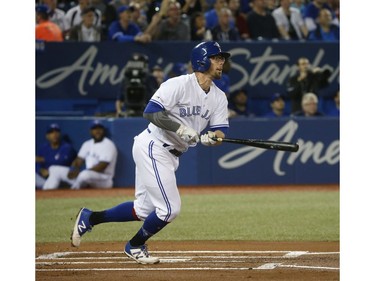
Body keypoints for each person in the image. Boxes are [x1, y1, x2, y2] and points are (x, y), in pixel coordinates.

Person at [70, 41, 231, 264]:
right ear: (202, 60)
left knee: (144, 210)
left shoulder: (219, 97)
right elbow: (151, 112)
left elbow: (220, 131)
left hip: (172, 154)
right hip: (154, 146)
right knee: (169, 209)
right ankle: (134, 246)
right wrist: (181, 129)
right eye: (216, 58)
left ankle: (91, 217)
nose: (221, 62)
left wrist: (212, 139)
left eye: (222, 59)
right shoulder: (178, 85)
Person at [43, 120, 118, 190]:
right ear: (90, 131)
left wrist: (80, 172)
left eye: (99, 128)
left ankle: (72, 192)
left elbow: (102, 166)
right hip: (85, 176)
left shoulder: (108, 144)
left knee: (84, 175)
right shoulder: (87, 144)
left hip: (104, 179)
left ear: (103, 130)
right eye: (95, 128)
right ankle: (47, 191)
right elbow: (78, 160)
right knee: (54, 169)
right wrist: (73, 169)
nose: (97, 131)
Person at [36, 123, 77, 190]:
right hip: (48, 179)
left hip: (65, 177)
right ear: (47, 136)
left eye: (56, 131)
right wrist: (40, 170)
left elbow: (63, 162)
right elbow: (37, 163)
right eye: (51, 132)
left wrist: (44, 159)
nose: (54, 134)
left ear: (60, 134)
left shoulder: (67, 147)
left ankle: (47, 192)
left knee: (54, 169)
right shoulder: (43, 148)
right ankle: (45, 189)